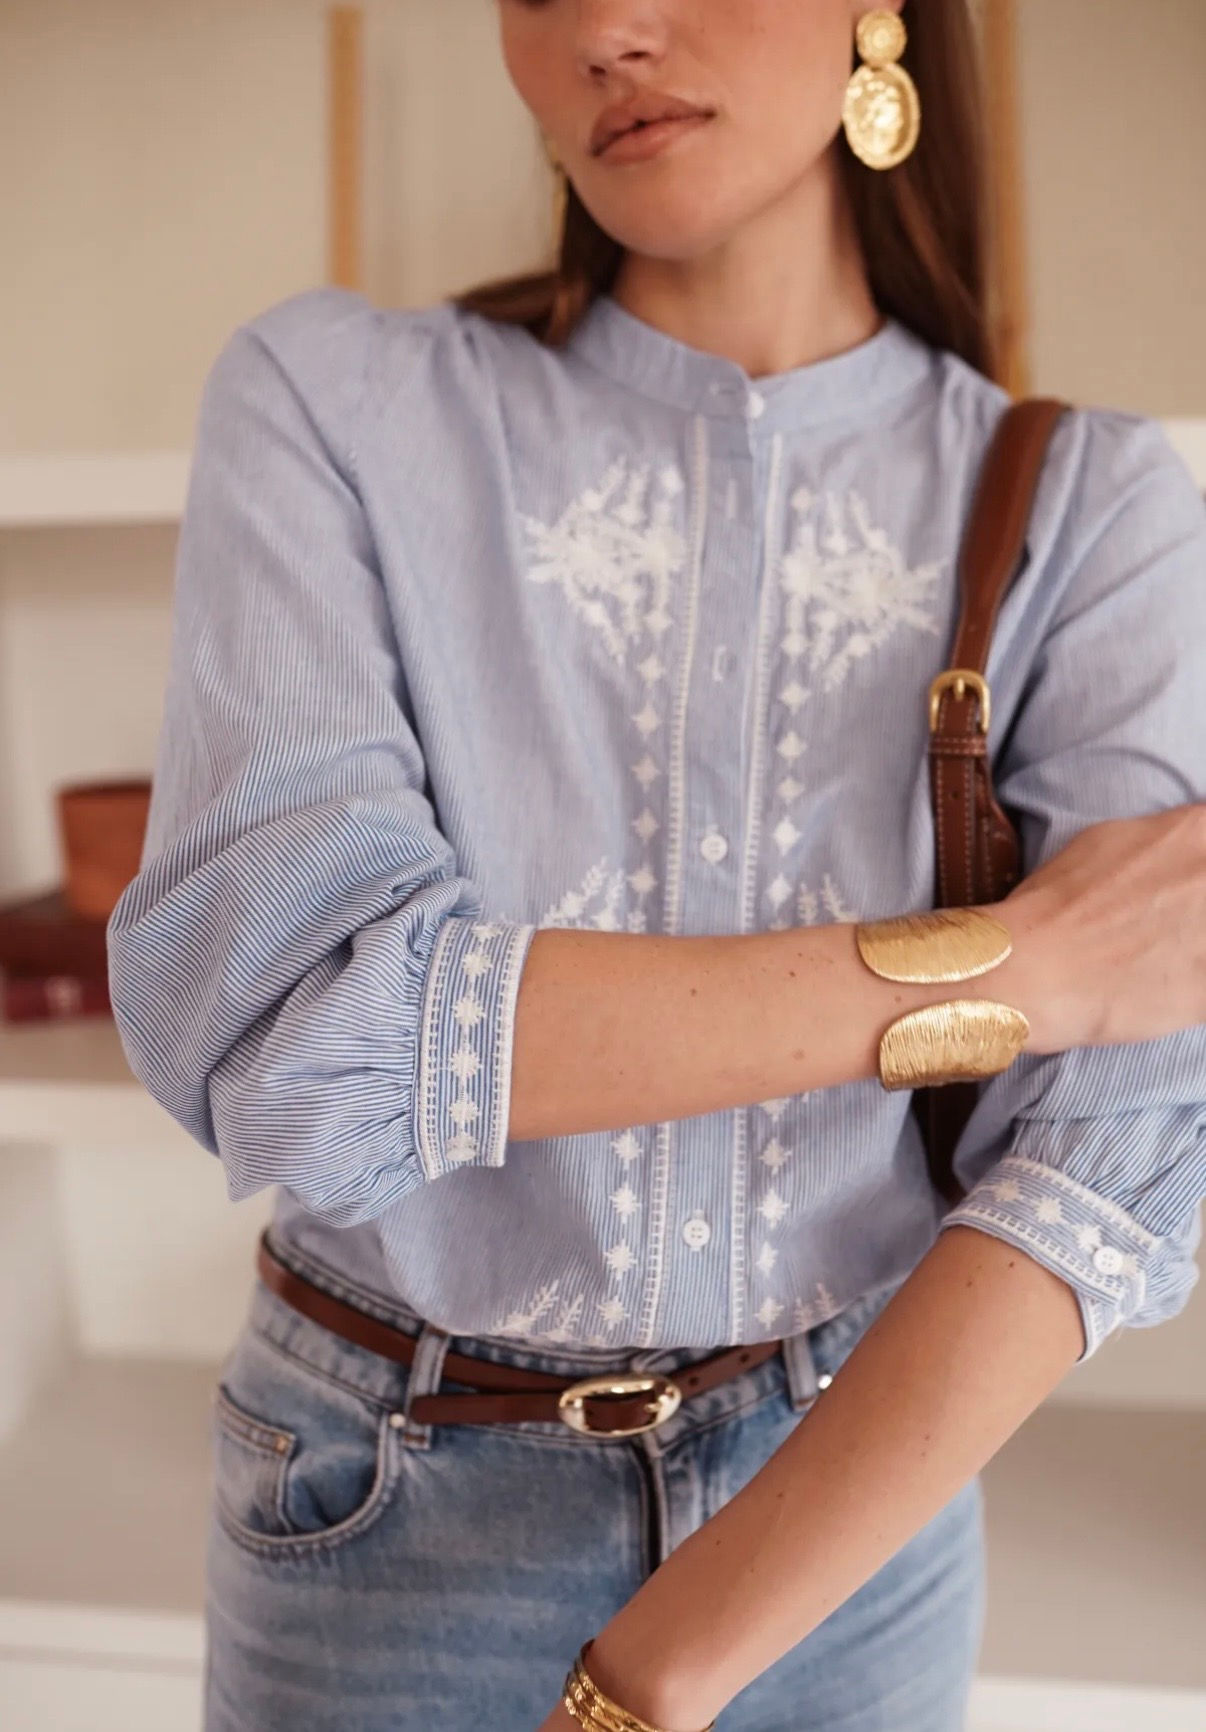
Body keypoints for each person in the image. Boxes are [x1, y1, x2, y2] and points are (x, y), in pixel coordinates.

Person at [106, 2, 1206, 1728]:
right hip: (379, 1519)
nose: (608, 30)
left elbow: (1101, 1168)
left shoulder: (1095, 507)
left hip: (853, 1547)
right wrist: (1023, 967)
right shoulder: (333, 404)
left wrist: (653, 1676)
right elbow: (300, 1047)